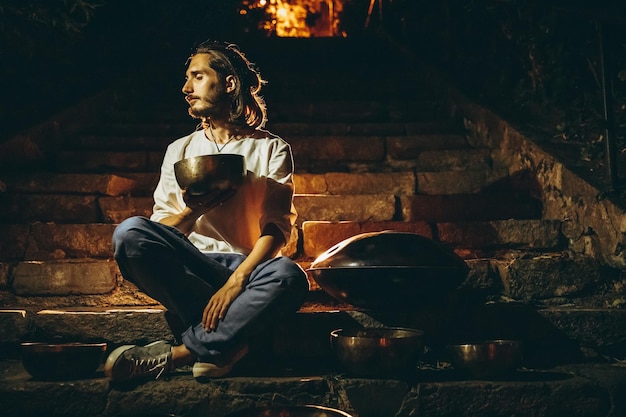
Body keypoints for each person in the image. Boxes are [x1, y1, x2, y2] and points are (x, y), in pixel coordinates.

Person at [104, 40, 309, 383]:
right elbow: (161, 231)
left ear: (228, 84)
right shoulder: (179, 149)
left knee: (289, 276)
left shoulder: (272, 148)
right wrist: (192, 212)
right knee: (129, 234)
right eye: (187, 79)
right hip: (192, 270)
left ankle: (182, 353)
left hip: (247, 273)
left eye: (197, 77)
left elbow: (276, 227)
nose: (186, 89)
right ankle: (227, 341)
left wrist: (235, 282)